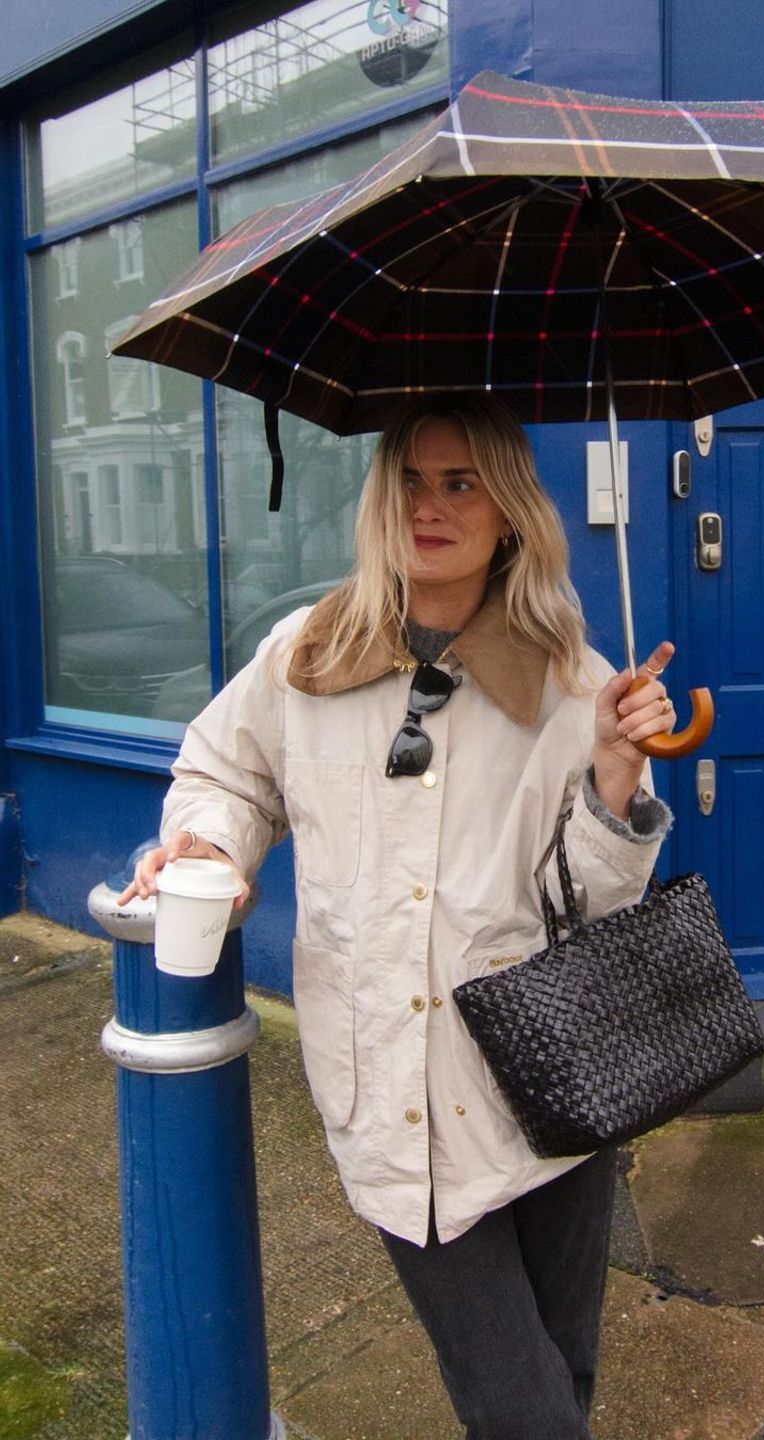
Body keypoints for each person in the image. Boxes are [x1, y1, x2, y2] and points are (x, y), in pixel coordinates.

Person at [119, 393, 677, 1440]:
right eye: (411, 481)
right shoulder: (310, 652)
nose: (430, 506)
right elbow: (227, 774)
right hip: (396, 1098)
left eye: (461, 482)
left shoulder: (573, 682)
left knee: (562, 1377)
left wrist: (613, 772)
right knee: (528, 1415)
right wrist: (210, 841)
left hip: (552, 1084)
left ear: (509, 507)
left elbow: (594, 906)